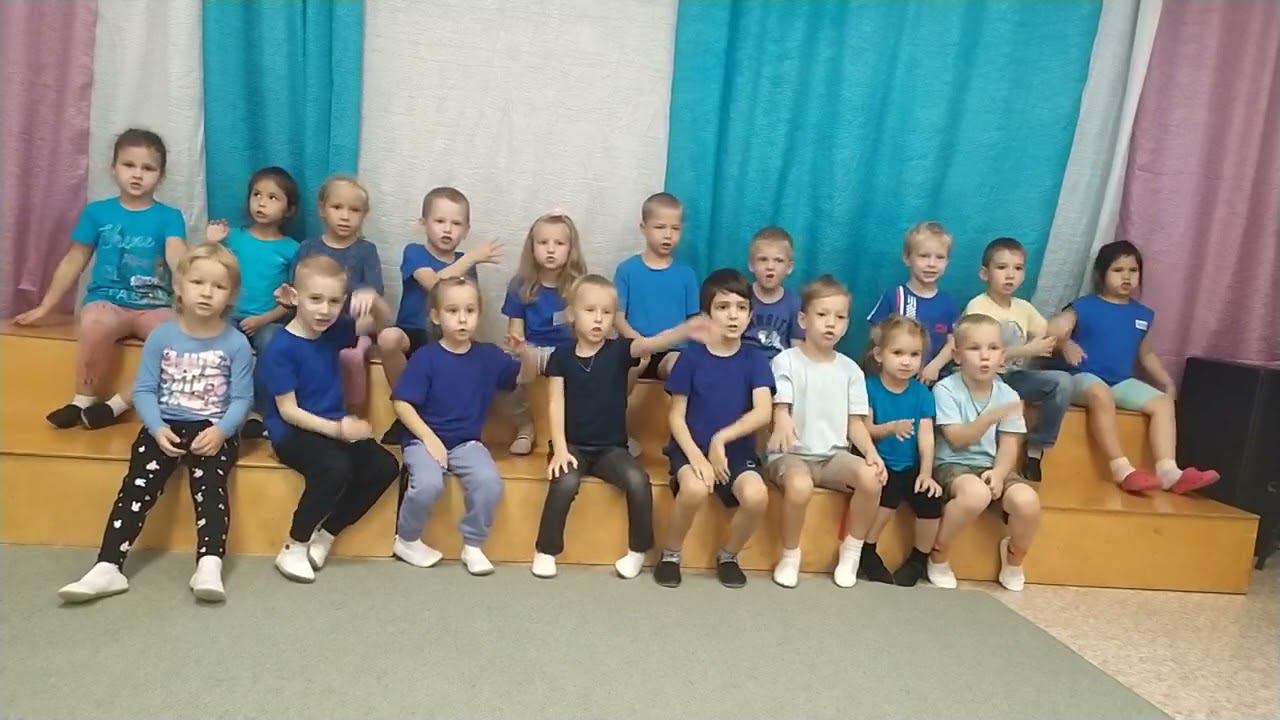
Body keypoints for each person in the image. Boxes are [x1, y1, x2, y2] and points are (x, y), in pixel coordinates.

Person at [57, 243, 252, 603]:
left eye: (219, 286)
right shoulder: (162, 336)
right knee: (136, 487)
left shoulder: (236, 343)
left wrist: (221, 431)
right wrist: (157, 427)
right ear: (179, 285)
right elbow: (145, 389)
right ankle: (108, 566)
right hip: (164, 425)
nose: (207, 292)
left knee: (211, 488)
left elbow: (242, 399)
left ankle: (209, 563)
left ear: (231, 295)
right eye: (198, 282)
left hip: (212, 427)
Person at [532, 275, 706, 579]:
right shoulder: (561, 357)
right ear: (572, 314)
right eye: (590, 310)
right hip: (571, 446)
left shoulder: (620, 351)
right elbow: (555, 402)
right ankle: (546, 550)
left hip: (610, 449)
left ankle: (638, 550)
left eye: (607, 312)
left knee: (638, 481)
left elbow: (653, 343)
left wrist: (685, 330)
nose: (599, 319)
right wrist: (559, 448)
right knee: (565, 482)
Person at [14, 128, 187, 430]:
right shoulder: (97, 213)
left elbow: (178, 258)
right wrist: (45, 307)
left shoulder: (169, 216)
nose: (137, 174)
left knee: (178, 338)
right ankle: (82, 400)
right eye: (129, 165)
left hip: (155, 306)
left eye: (148, 168)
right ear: (113, 168)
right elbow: (74, 260)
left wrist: (188, 295)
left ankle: (117, 405)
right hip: (107, 302)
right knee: (95, 322)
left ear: (160, 176)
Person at [258, 255, 399, 583]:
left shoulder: (332, 332)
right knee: (335, 467)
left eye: (334, 301)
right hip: (292, 432)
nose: (325, 310)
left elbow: (382, 325)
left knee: (385, 466)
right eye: (315, 299)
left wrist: (374, 301)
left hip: (333, 425)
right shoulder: (280, 348)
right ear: (295, 297)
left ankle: (327, 533)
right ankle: (294, 545)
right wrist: (339, 429)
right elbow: (288, 412)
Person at [391, 277, 539, 575]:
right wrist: (429, 439)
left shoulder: (488, 356)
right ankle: (406, 539)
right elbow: (402, 403)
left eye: (470, 311)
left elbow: (525, 377)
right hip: (423, 439)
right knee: (428, 484)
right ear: (436, 316)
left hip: (466, 443)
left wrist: (525, 353)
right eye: (453, 310)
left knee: (489, 482)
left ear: (478, 315)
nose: (462, 318)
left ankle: (473, 544)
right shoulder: (426, 357)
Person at [1048, 240, 1219, 494]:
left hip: (1120, 382)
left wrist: (1167, 382)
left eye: (1133, 270)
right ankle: (1122, 468)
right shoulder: (1084, 306)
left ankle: (1169, 472)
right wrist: (1065, 343)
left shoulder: (1142, 314)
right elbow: (1050, 329)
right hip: (1081, 377)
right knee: (1100, 393)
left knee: (1163, 403)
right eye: (1118, 270)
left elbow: (1146, 355)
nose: (1126, 277)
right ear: (1101, 274)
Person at [654, 269, 774, 589]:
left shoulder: (755, 359)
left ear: (750, 315)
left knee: (757, 496)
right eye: (723, 307)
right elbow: (676, 417)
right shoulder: (691, 358)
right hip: (690, 448)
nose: (733, 315)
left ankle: (729, 555)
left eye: (741, 307)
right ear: (707, 315)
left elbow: (763, 412)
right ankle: (670, 555)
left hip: (735, 451)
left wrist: (721, 440)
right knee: (694, 489)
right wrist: (697, 457)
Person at [765, 275, 886, 589]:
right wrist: (781, 418)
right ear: (803, 320)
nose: (831, 323)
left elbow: (855, 424)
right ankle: (790, 555)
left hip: (833, 458)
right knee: (799, 485)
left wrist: (871, 453)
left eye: (840, 317)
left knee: (872, 478)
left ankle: (852, 552)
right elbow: (780, 407)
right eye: (822, 314)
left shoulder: (851, 370)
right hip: (791, 457)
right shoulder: (785, 361)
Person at [928, 314, 1041, 592]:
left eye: (993, 348)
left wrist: (1000, 474)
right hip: (953, 464)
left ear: (1003, 356)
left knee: (1028, 502)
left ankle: (1014, 558)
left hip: (992, 465)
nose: (984, 356)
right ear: (957, 355)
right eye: (974, 348)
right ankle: (939, 553)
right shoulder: (945, 389)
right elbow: (957, 440)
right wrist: (989, 417)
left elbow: (1010, 443)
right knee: (975, 494)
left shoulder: (1008, 394)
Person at [376, 186, 501, 432]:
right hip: (412, 332)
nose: (447, 229)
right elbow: (435, 285)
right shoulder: (414, 252)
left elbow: (468, 308)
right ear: (424, 223)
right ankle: (407, 407)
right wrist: (471, 257)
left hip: (448, 337)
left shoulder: (466, 264)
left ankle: (451, 420)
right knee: (388, 338)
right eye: (440, 221)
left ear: (466, 231)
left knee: (480, 357)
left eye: (456, 223)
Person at [963, 237, 1072, 481]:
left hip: (1014, 376)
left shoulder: (1023, 308)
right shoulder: (978, 306)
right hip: (984, 378)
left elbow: (1048, 334)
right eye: (1002, 267)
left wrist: (1064, 338)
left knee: (1062, 382)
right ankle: (988, 462)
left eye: (1018, 268)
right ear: (985, 273)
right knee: (1006, 398)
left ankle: (1035, 449)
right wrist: (1026, 350)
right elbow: (978, 353)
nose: (1010, 275)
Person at [206, 166, 301, 439]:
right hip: (227, 316)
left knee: (274, 342)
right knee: (220, 342)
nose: (262, 202)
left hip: (267, 320)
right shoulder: (233, 238)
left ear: (289, 209)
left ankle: (257, 412)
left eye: (273, 197)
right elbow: (205, 271)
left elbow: (293, 298)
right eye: (257, 194)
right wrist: (211, 243)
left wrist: (263, 319)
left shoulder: (292, 249)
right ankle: (217, 407)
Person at [860, 316, 944, 587]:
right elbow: (865, 429)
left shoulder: (922, 394)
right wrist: (890, 428)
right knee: (890, 490)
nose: (906, 361)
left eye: (914, 354)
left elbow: (926, 437)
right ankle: (867, 551)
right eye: (898, 353)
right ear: (879, 355)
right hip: (878, 464)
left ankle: (919, 560)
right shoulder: (869, 387)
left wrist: (926, 473)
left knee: (931, 499)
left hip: (911, 466)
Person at [614, 192, 700, 454]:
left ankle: (681, 437)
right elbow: (617, 316)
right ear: (644, 228)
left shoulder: (686, 274)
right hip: (635, 346)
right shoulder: (627, 270)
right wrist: (639, 342)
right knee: (622, 370)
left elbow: (693, 321)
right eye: (660, 227)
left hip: (672, 352)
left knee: (682, 368)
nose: (668, 235)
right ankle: (617, 433)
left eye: (675, 228)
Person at [501, 210, 587, 455]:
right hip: (533, 350)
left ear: (571, 249)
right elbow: (515, 330)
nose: (550, 249)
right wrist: (519, 346)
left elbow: (584, 334)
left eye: (559, 243)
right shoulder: (520, 285)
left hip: (568, 352)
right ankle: (524, 426)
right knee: (500, 369)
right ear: (532, 247)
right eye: (543, 243)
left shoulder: (579, 286)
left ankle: (597, 434)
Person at [294, 176, 384, 409]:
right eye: (337, 207)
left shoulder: (366, 250)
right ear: (322, 209)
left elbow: (376, 291)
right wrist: (286, 297)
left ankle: (355, 364)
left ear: (364, 214)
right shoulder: (308, 248)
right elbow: (297, 289)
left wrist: (368, 294)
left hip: (349, 325)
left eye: (354, 210)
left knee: (366, 323)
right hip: (313, 324)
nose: (345, 216)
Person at [866, 221, 960, 384]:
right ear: (907, 258)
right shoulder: (894, 296)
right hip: (892, 381)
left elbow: (953, 341)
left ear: (947, 262)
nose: (931, 264)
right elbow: (875, 335)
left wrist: (934, 366)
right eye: (924, 256)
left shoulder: (948, 303)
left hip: (932, 382)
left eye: (939, 257)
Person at [743, 226, 804, 360]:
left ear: (789, 267)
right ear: (751, 264)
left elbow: (797, 348)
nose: (770, 267)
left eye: (778, 260)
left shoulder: (794, 303)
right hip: (744, 364)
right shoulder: (741, 296)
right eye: (763, 259)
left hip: (779, 367)